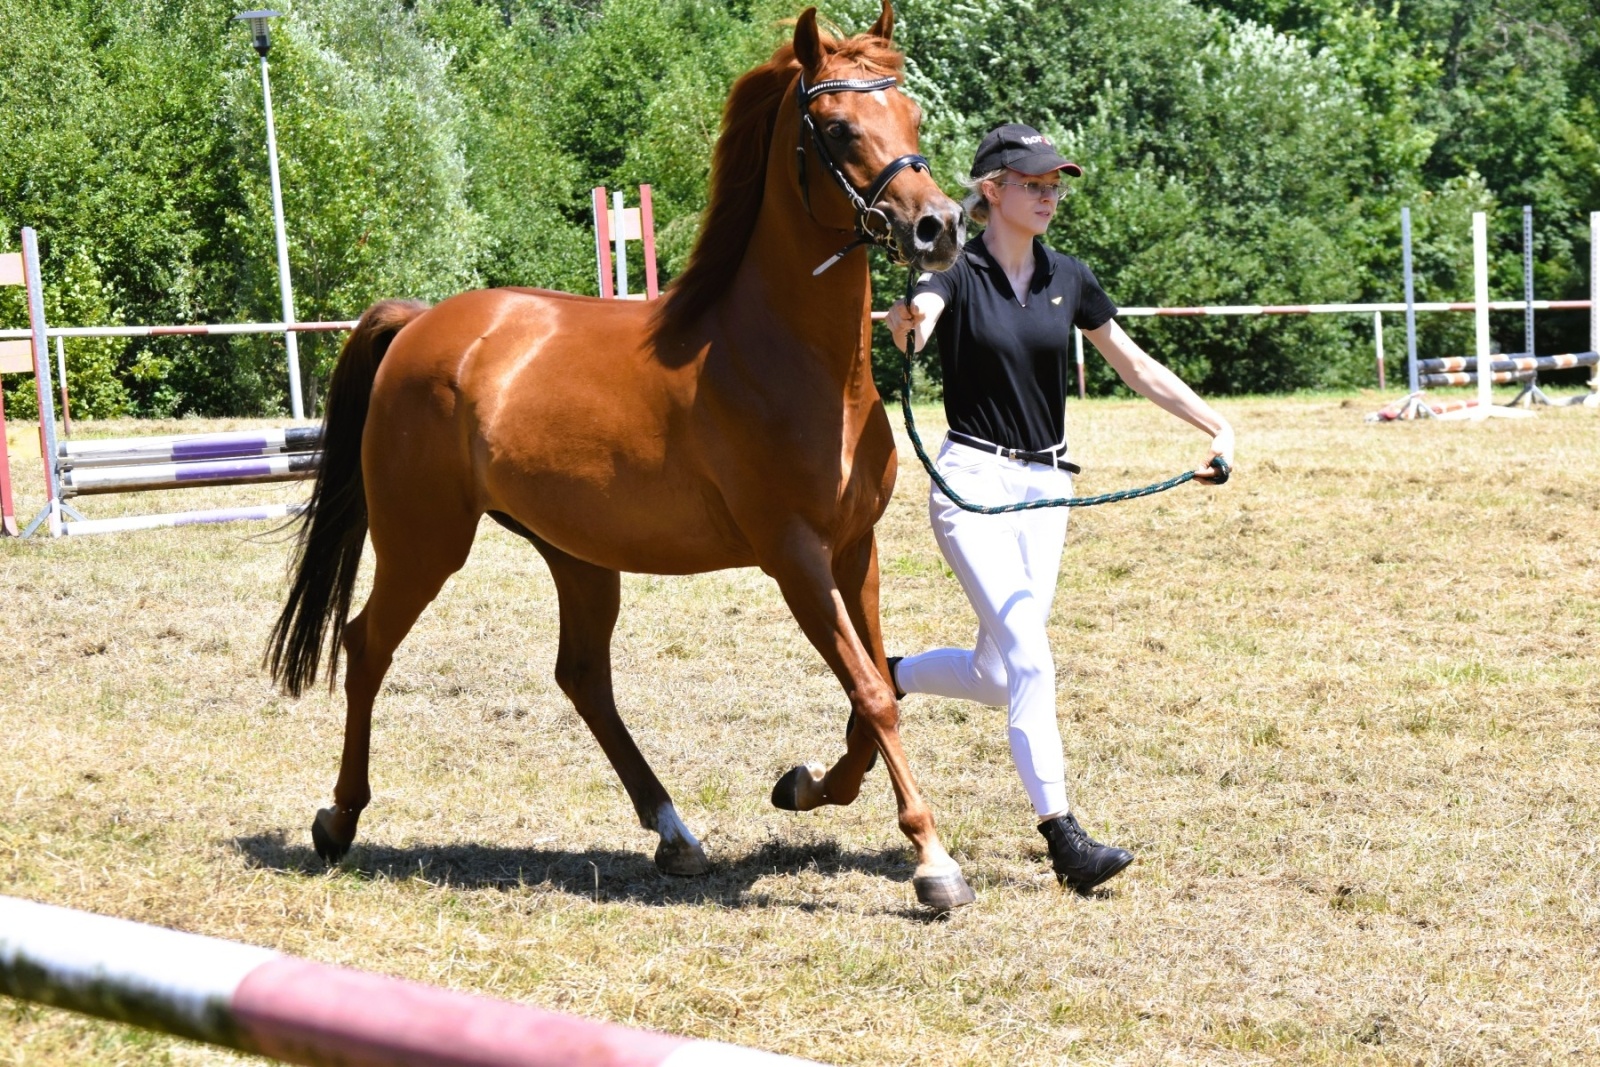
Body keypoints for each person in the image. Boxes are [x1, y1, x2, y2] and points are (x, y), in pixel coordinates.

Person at [883, 123, 1235, 892]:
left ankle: (892, 673)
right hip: (972, 485)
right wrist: (910, 326)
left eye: (1054, 184)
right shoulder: (958, 268)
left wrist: (1215, 424)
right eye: (1033, 182)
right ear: (991, 190)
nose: (1048, 194)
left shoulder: (1068, 275)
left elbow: (1134, 363)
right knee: (1033, 656)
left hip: (1048, 489)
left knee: (1002, 671)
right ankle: (1064, 837)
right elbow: (924, 313)